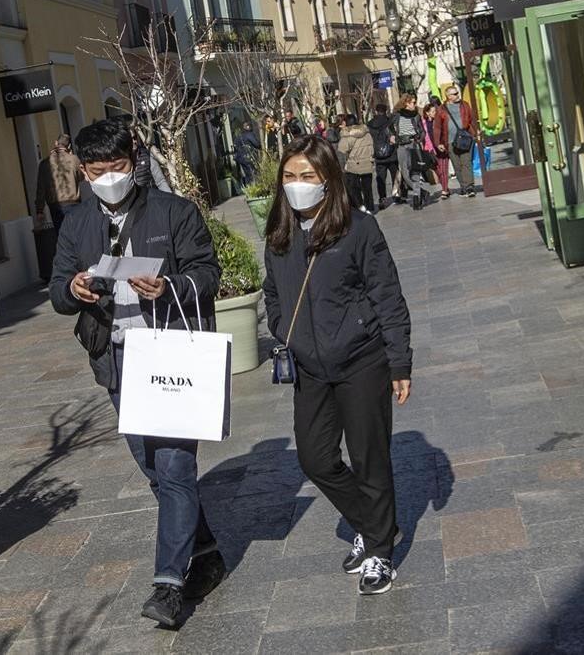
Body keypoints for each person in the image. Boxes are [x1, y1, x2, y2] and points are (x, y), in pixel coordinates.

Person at [49, 119, 225, 627]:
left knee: (173, 467)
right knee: (156, 471)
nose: (110, 178)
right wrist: (75, 291)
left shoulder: (175, 212)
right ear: (83, 172)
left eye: (120, 168)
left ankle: (168, 587)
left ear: (136, 162)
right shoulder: (76, 224)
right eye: (99, 171)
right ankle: (208, 551)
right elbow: (59, 288)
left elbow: (208, 273)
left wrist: (169, 287)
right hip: (116, 360)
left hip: (169, 355)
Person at [261, 135, 413, 596]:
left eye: (307, 176)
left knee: (370, 458)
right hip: (309, 367)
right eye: (289, 176)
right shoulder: (279, 232)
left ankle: (381, 551)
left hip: (361, 360)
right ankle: (374, 522)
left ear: (328, 180)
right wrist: (283, 325)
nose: (297, 184)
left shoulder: (358, 229)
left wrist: (399, 361)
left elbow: (387, 295)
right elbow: (272, 291)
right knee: (316, 458)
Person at [388, 93, 438, 209]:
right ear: (406, 103)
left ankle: (416, 197)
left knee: (415, 171)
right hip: (401, 145)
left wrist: (418, 138)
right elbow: (388, 127)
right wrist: (391, 136)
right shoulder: (396, 115)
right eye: (413, 102)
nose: (415, 105)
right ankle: (422, 191)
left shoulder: (416, 116)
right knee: (405, 173)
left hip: (413, 144)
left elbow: (422, 131)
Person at [433, 85, 478, 197]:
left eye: (457, 93)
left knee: (466, 163)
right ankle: (463, 186)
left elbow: (472, 120)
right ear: (448, 96)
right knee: (457, 165)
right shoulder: (441, 109)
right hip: (450, 141)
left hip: (465, 139)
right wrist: (438, 143)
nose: (458, 95)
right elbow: (437, 127)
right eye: (455, 94)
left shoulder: (464, 105)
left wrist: (477, 132)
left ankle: (469, 187)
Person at [35, 134, 82, 231]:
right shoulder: (74, 159)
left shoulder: (44, 164)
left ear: (56, 143)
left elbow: (41, 188)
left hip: (55, 205)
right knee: (78, 232)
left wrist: (39, 210)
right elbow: (81, 177)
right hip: (74, 203)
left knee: (62, 234)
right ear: (68, 146)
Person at [337, 114, 375, 213]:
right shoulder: (366, 132)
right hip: (367, 162)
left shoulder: (348, 135)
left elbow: (342, 149)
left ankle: (360, 205)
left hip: (353, 164)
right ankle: (370, 207)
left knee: (354, 187)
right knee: (367, 187)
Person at [367, 104, 398, 209]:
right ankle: (396, 194)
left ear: (376, 111)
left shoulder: (370, 124)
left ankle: (382, 198)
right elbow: (395, 136)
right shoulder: (390, 121)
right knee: (394, 174)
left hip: (378, 155)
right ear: (386, 110)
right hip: (392, 153)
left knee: (380, 178)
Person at [422, 104, 449, 198]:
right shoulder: (423, 124)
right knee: (438, 171)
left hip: (442, 149)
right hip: (431, 150)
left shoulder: (439, 121)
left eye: (435, 111)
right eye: (433, 111)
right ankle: (445, 187)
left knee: (443, 171)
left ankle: (444, 191)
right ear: (427, 113)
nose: (435, 113)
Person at [234, 121, 262, 186]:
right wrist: (260, 145)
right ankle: (254, 187)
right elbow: (256, 144)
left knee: (247, 174)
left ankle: (249, 189)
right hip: (248, 157)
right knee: (252, 173)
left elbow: (235, 146)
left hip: (240, 158)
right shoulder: (249, 134)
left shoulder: (239, 136)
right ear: (248, 127)